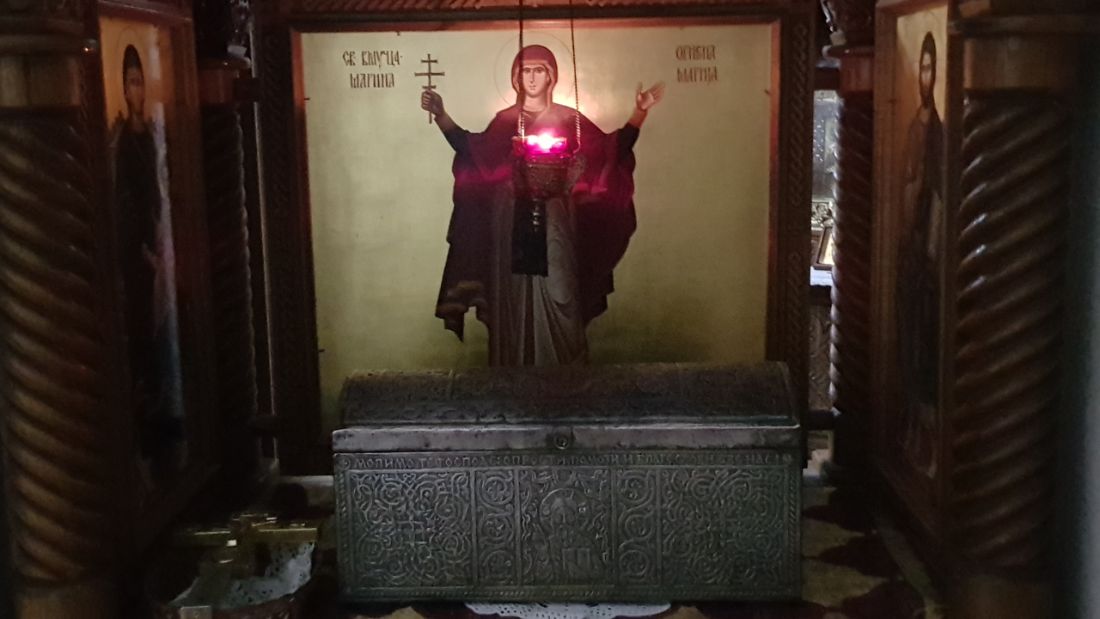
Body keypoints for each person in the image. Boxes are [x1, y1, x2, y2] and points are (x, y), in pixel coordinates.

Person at [421, 44, 664, 366]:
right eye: (525, 71)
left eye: (539, 70)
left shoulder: (570, 120)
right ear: (515, 78)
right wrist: (442, 116)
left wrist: (639, 113)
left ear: (551, 77)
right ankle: (515, 368)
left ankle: (565, 373)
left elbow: (610, 151)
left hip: (556, 221)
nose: (532, 78)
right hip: (511, 224)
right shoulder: (505, 121)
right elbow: (472, 150)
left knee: (561, 289)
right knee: (514, 297)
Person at [110, 44, 185, 485]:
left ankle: (170, 425)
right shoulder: (119, 142)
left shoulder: (157, 135)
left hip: (166, 255)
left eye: (141, 81)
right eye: (130, 83)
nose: (136, 90)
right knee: (142, 339)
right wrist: (143, 250)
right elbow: (123, 203)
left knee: (168, 337)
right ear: (123, 89)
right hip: (138, 261)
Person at [896, 32, 944, 477]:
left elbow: (939, 193)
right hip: (909, 251)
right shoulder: (913, 125)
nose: (925, 76)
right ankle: (910, 434)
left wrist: (930, 249)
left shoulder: (940, 132)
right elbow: (905, 183)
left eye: (931, 68)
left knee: (928, 349)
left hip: (928, 254)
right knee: (908, 346)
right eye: (921, 68)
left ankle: (927, 446)